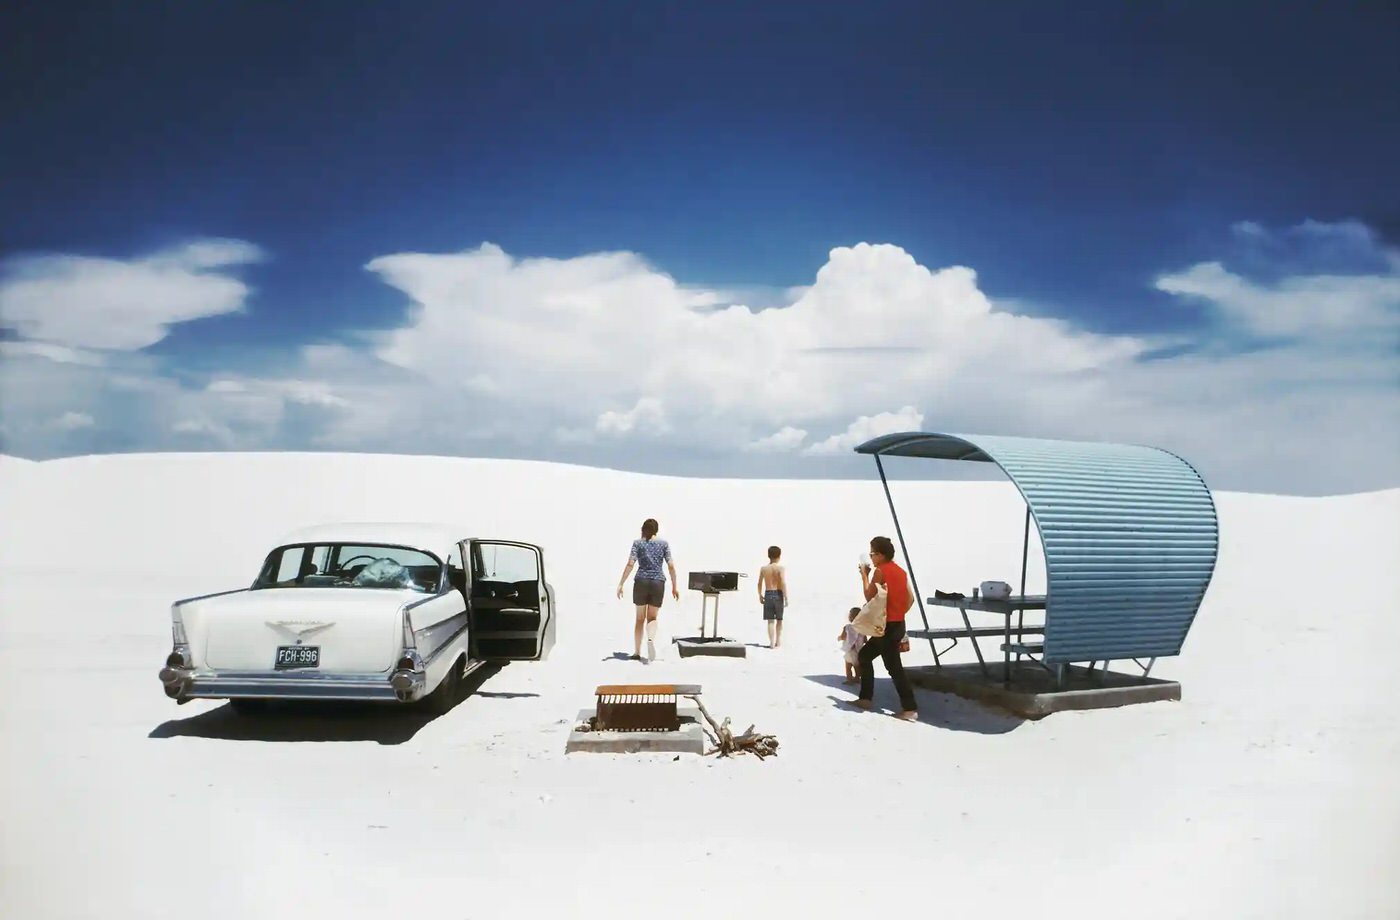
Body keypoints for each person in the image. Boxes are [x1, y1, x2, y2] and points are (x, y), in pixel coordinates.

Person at [855, 536, 918, 720]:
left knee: (894, 667)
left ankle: (910, 708)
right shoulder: (901, 571)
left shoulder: (880, 571)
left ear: (881, 555)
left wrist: (864, 575)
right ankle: (865, 698)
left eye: (872, 554)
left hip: (886, 627)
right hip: (898, 624)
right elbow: (909, 599)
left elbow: (869, 596)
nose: (871, 557)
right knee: (865, 656)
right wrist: (899, 612)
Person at [615, 518, 679, 661]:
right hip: (657, 582)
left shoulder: (638, 543)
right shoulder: (663, 544)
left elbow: (630, 564)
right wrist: (674, 586)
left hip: (641, 581)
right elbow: (671, 566)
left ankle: (637, 652)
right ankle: (650, 639)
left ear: (643, 529)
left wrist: (621, 583)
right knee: (652, 617)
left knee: (639, 619)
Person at [757, 545, 787, 648]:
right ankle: (778, 641)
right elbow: (783, 583)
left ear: (768, 556)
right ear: (779, 556)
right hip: (778, 594)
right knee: (779, 619)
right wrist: (786, 597)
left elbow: (759, 583)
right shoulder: (780, 568)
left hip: (768, 593)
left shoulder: (764, 569)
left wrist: (760, 595)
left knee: (770, 621)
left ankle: (771, 643)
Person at [838, 606, 865, 684]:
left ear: (850, 617)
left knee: (848, 666)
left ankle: (849, 679)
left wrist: (839, 638)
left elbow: (843, 637)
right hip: (858, 650)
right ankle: (857, 678)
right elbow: (865, 639)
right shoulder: (863, 628)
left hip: (850, 650)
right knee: (857, 665)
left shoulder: (847, 627)